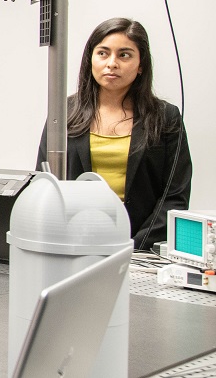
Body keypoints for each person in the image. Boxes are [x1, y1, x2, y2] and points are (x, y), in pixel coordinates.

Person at [37, 18, 191, 250]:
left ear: (141, 65)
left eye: (124, 55)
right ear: (91, 59)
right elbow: (43, 181)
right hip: (72, 242)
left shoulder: (166, 117)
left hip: (141, 247)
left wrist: (135, 246)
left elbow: (175, 196)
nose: (112, 63)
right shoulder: (63, 112)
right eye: (103, 53)